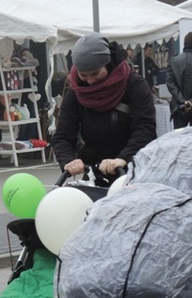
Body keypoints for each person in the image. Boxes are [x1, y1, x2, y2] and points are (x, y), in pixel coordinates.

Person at [52, 32, 157, 187]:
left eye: (95, 73)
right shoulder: (76, 92)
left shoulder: (134, 85)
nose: (90, 80)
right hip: (94, 172)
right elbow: (63, 135)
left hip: (133, 172)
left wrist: (123, 159)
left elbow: (145, 129)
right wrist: (68, 160)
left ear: (108, 64)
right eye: (83, 75)